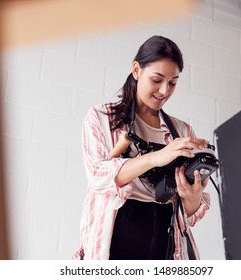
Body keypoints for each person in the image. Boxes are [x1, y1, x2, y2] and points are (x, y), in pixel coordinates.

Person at [74, 35, 211, 260]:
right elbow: (98, 175)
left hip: (167, 239)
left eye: (173, 83)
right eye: (157, 80)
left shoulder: (183, 132)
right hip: (119, 234)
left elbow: (187, 215)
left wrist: (193, 197)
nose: (165, 91)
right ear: (137, 70)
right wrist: (156, 157)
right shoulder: (101, 117)